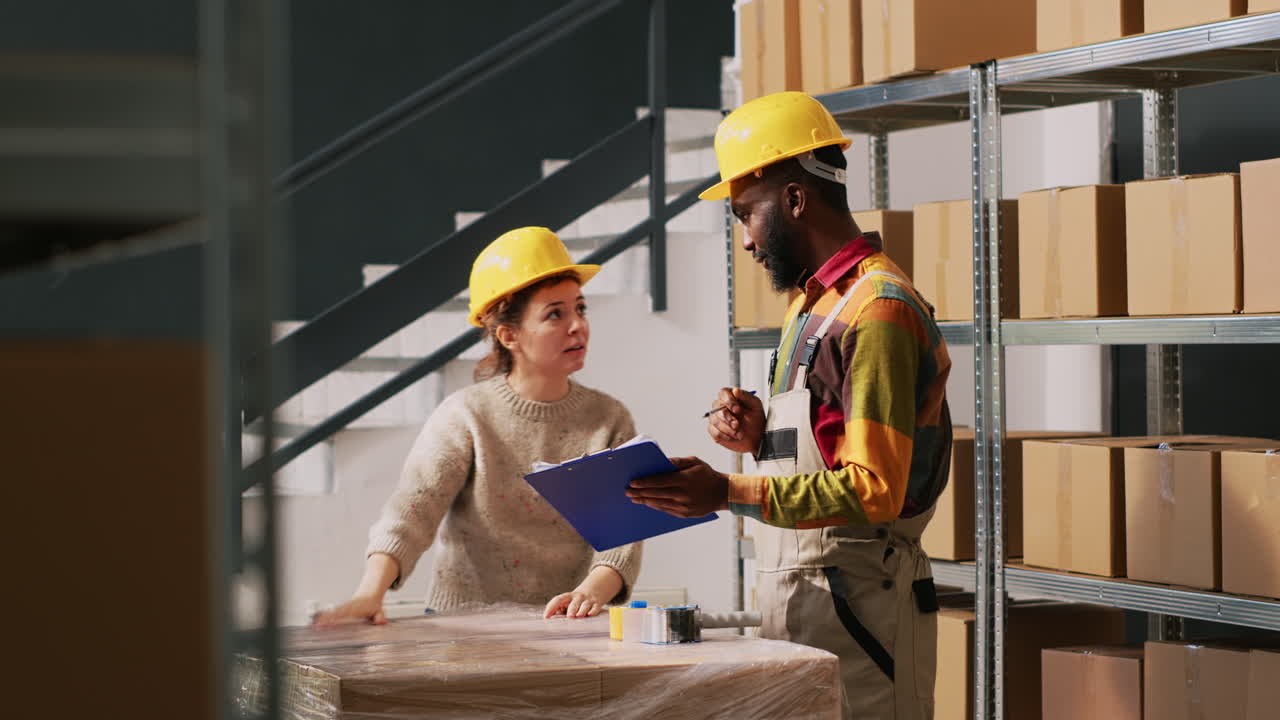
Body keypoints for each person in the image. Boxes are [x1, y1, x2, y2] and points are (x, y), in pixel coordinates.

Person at [626, 92, 952, 720]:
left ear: (796, 199)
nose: (746, 239)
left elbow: (875, 489)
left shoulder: (877, 311)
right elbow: (829, 443)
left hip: (865, 614)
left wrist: (726, 491)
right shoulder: (812, 305)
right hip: (811, 604)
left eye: (746, 213)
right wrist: (758, 435)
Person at [315, 226, 642, 625]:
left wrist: (589, 593)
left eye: (580, 308)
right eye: (555, 313)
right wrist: (369, 594)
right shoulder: (466, 415)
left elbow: (623, 537)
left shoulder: (609, 419)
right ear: (508, 335)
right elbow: (412, 511)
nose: (577, 325)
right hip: (461, 629)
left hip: (562, 626)